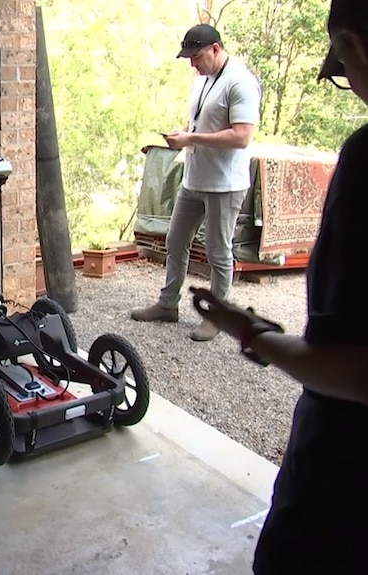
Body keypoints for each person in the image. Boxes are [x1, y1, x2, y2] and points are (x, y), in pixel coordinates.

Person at [189, 1, 368, 572]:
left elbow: (354, 371)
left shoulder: (366, 161)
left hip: (347, 480)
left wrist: (251, 332)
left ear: (353, 45)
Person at [130, 24, 261, 342]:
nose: (192, 63)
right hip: (194, 179)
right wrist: (183, 134)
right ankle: (167, 304)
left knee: (218, 250)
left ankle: (217, 317)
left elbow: (242, 136)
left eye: (197, 56)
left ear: (215, 49)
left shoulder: (240, 82)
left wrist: (191, 137)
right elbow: (202, 122)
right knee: (175, 241)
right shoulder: (203, 80)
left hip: (225, 184)